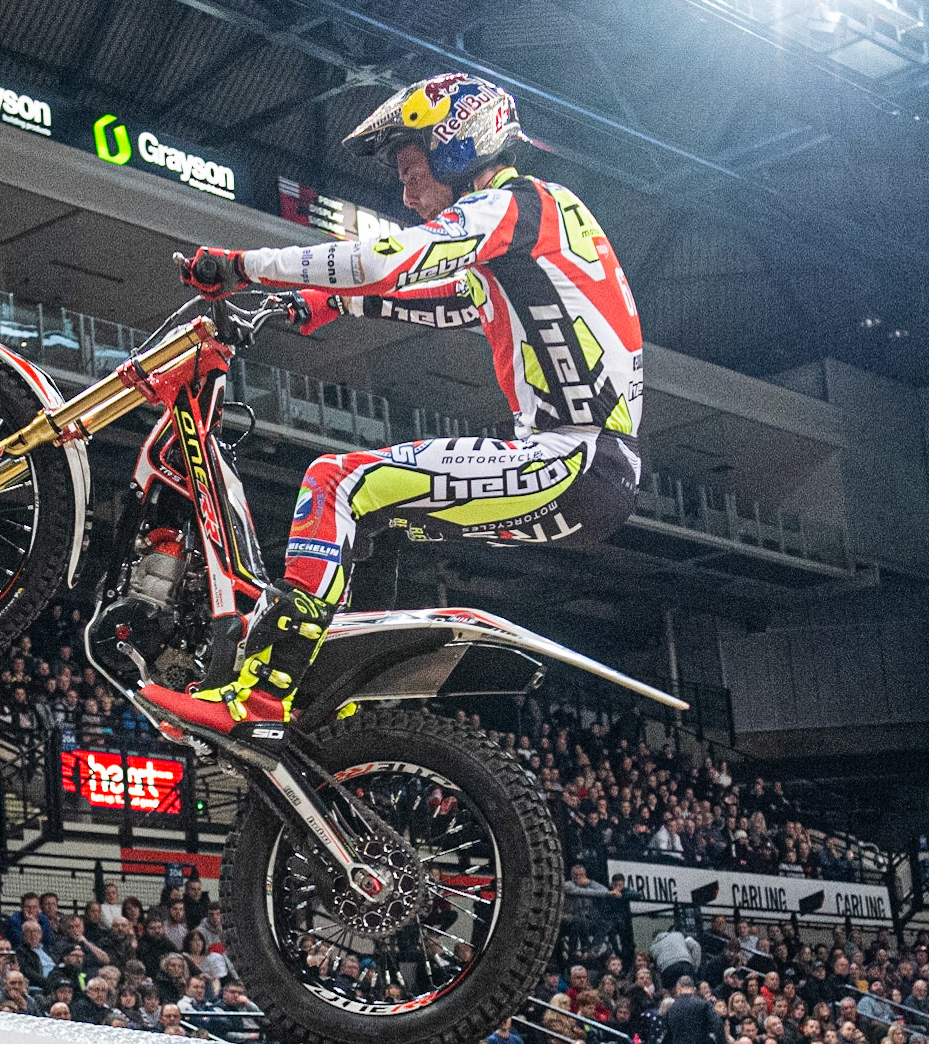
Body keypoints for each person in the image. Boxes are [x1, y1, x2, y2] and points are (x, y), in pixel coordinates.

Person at [139, 74, 641, 742]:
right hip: (589, 471)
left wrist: (243, 265)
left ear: (460, 144)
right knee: (361, 523)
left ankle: (259, 698)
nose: (404, 192)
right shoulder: (537, 226)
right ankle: (327, 697)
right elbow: (457, 298)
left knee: (337, 482)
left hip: (574, 459)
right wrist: (330, 301)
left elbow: (392, 261)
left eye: (411, 168)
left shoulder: (518, 205)